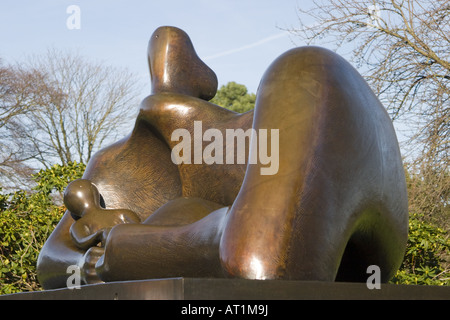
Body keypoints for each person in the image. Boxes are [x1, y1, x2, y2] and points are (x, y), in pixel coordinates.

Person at [37, 26, 408, 289]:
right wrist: (112, 253)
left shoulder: (304, 81)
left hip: (327, 105)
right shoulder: (124, 163)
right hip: (297, 224)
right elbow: (52, 262)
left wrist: (117, 250)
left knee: (301, 73)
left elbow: (258, 264)